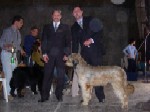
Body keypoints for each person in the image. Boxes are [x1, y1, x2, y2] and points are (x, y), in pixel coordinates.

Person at [71, 6, 105, 102]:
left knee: (98, 75)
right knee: (84, 77)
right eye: (74, 12)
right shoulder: (73, 27)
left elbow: (100, 32)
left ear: (82, 12)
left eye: (78, 11)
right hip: (84, 55)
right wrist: (74, 57)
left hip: (96, 52)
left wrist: (91, 40)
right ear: (73, 14)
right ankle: (86, 97)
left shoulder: (91, 20)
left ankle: (101, 97)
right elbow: (74, 43)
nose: (76, 13)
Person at [38, 9, 71, 102]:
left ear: (60, 16)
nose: (56, 17)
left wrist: (67, 54)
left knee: (61, 76)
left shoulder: (66, 27)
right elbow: (44, 41)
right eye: (54, 15)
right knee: (47, 76)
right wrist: (44, 54)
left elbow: (68, 42)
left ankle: (59, 95)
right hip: (49, 56)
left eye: (58, 15)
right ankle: (44, 96)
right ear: (52, 16)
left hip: (61, 56)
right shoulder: (46, 27)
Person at [0, 15, 24, 99]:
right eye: (21, 22)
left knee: (14, 72)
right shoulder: (7, 31)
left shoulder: (18, 32)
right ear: (16, 22)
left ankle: (13, 91)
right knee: (8, 73)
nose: (22, 24)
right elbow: (1, 42)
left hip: (13, 56)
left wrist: (21, 50)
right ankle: (8, 94)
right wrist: (7, 47)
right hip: (6, 54)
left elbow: (17, 45)